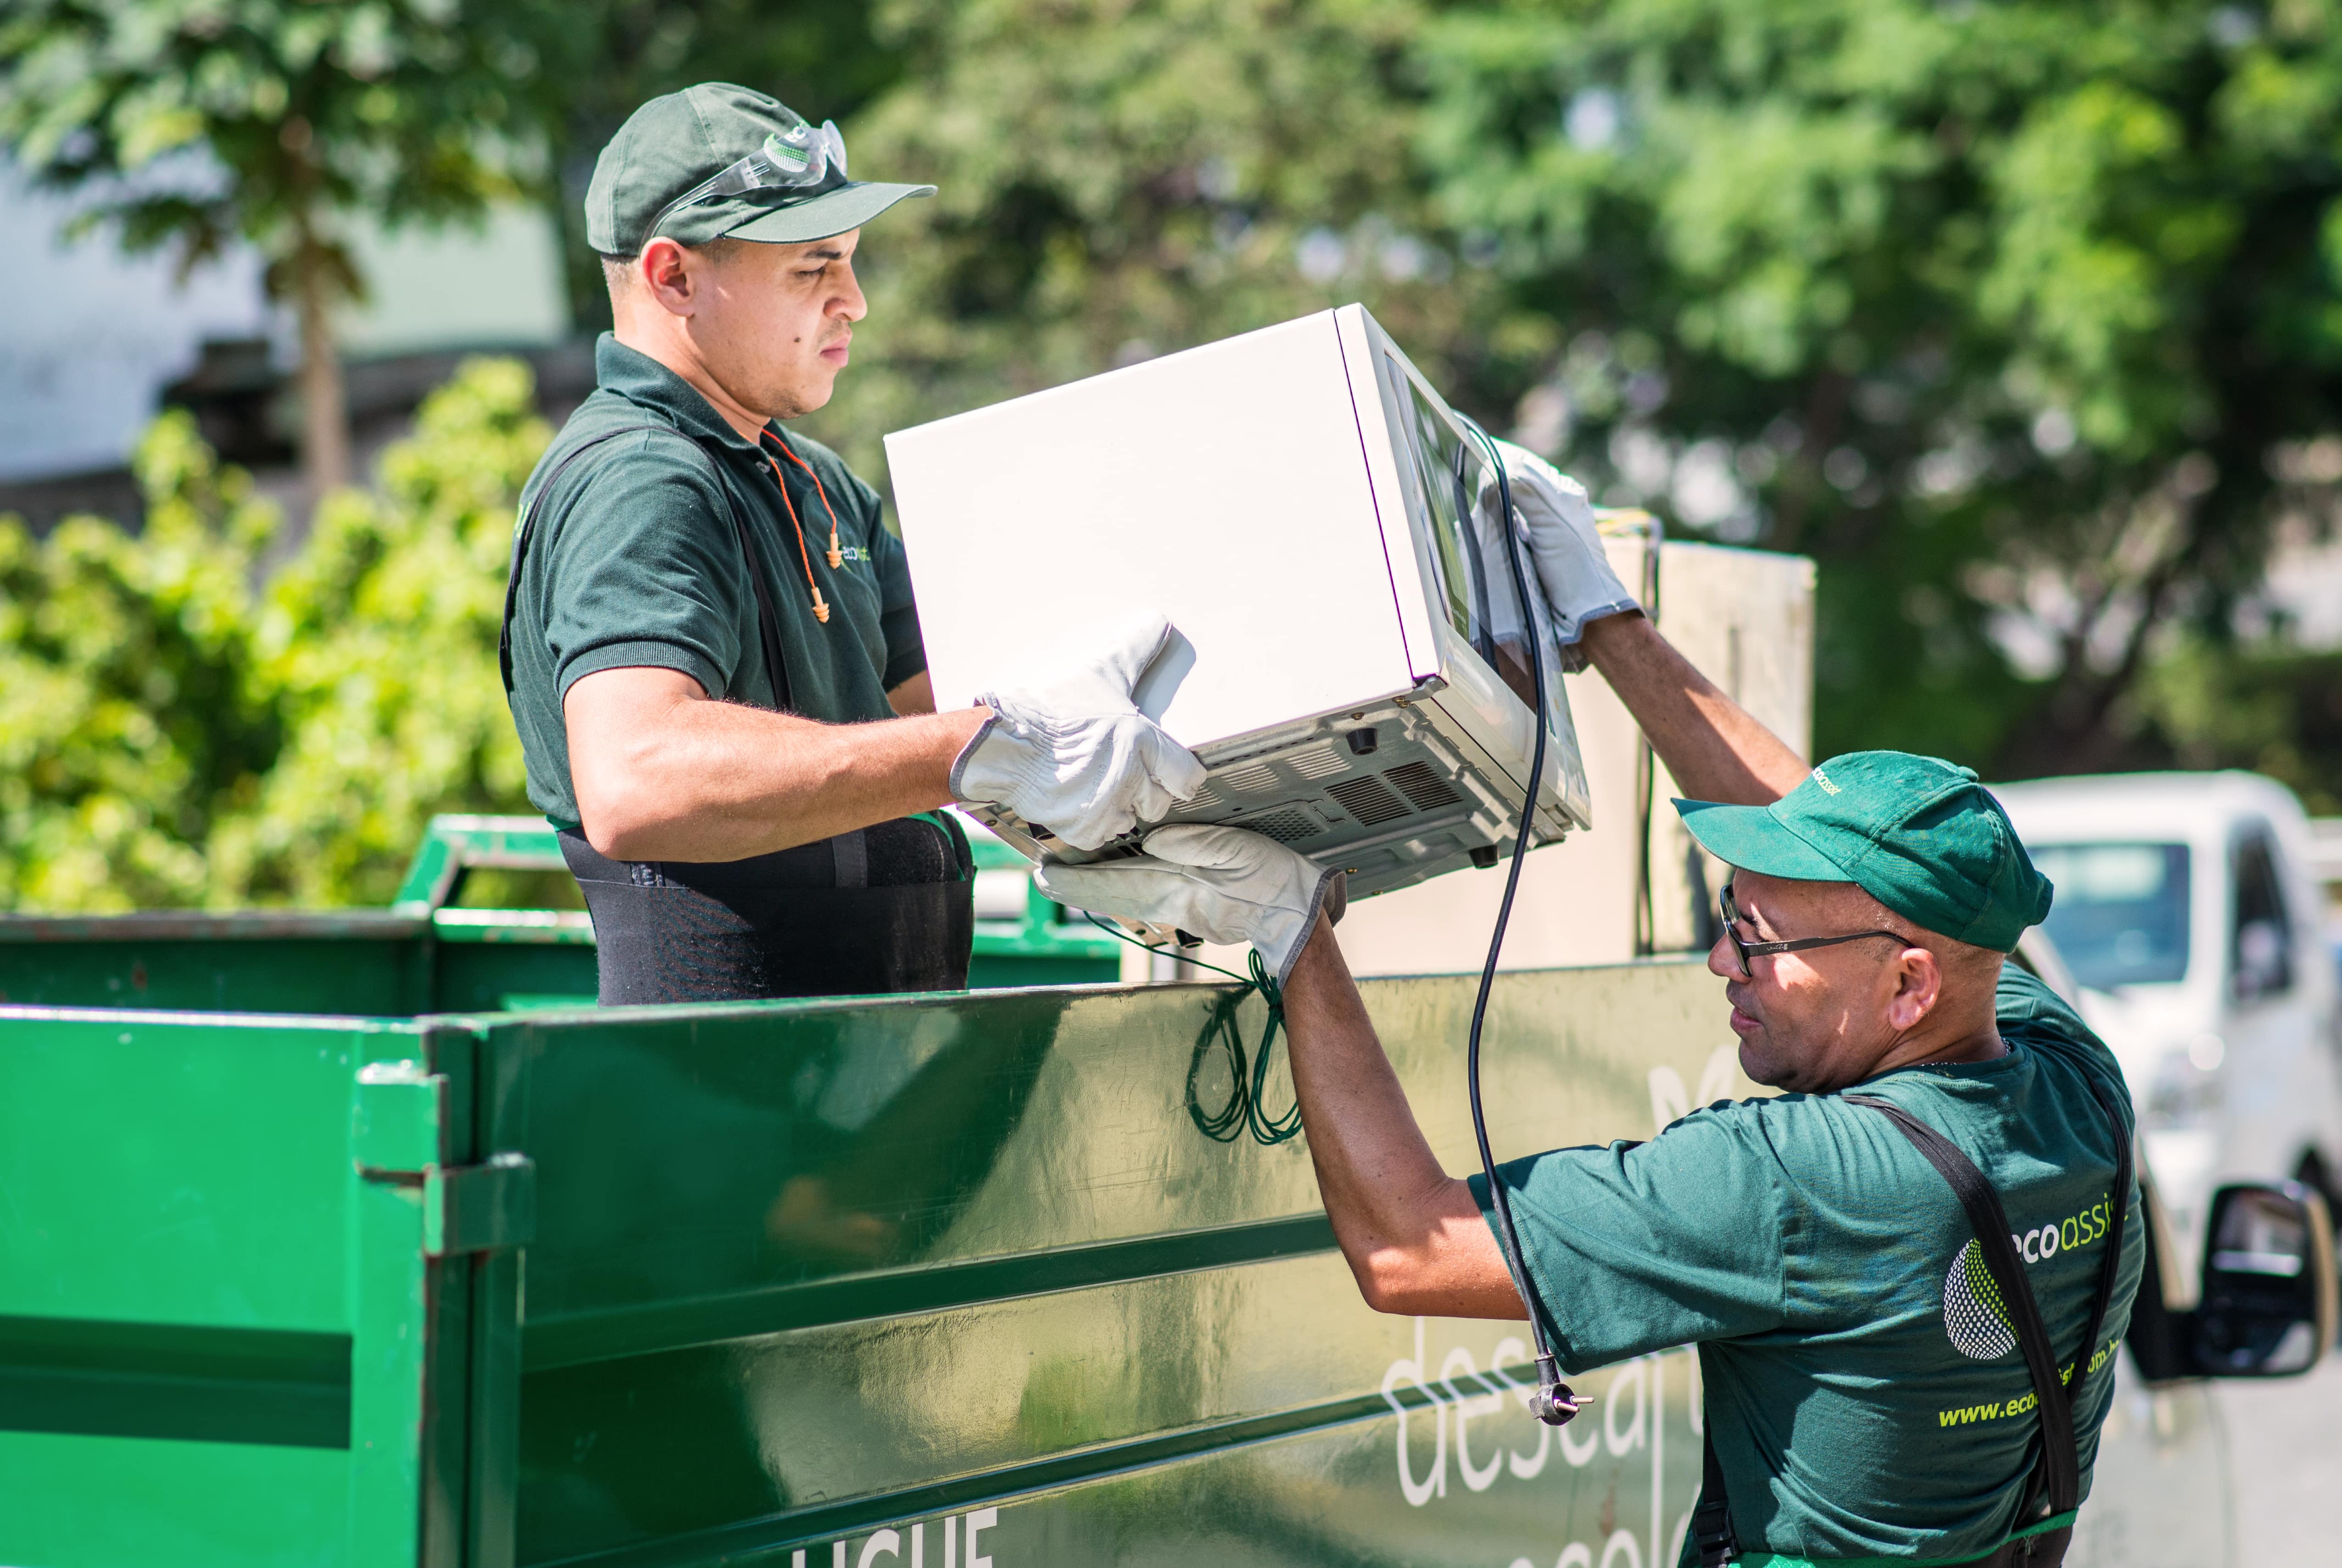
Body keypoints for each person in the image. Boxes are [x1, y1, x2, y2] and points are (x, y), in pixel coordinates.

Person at [1037, 446, 2142, 1568]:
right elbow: (1854, 867)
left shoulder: (1802, 1183)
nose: (1721, 957)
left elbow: (1414, 1248)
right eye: (1729, 912)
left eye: (1755, 938)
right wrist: (1612, 625)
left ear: (1908, 984)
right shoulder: (2074, 1079)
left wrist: (1294, 927)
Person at [501, 84, 1201, 1004]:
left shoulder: (820, 484)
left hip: (862, 1072)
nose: (856, 302)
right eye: (813, 268)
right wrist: (980, 748)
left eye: (852, 263)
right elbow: (636, 777)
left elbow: (972, 704)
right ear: (674, 276)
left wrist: (1186, 807)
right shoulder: (637, 477)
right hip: (725, 1100)